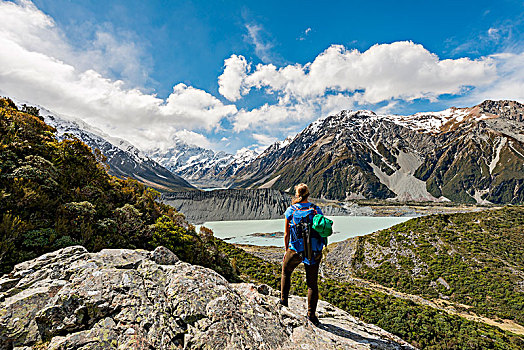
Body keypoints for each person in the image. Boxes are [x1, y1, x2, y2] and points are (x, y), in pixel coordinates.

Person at [280, 183, 326, 326]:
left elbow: (287, 233)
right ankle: (311, 315)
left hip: (295, 250)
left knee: (286, 272)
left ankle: (283, 303)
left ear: (297, 195)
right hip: (313, 251)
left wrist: (287, 249)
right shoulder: (315, 209)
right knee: (312, 284)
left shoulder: (291, 211)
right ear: (308, 194)